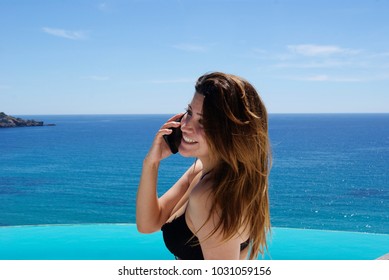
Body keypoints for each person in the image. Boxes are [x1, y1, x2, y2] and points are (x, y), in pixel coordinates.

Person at [136, 72, 271, 260]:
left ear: (231, 133)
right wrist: (151, 163)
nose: (186, 126)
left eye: (204, 122)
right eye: (189, 112)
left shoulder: (210, 197)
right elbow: (148, 223)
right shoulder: (204, 171)